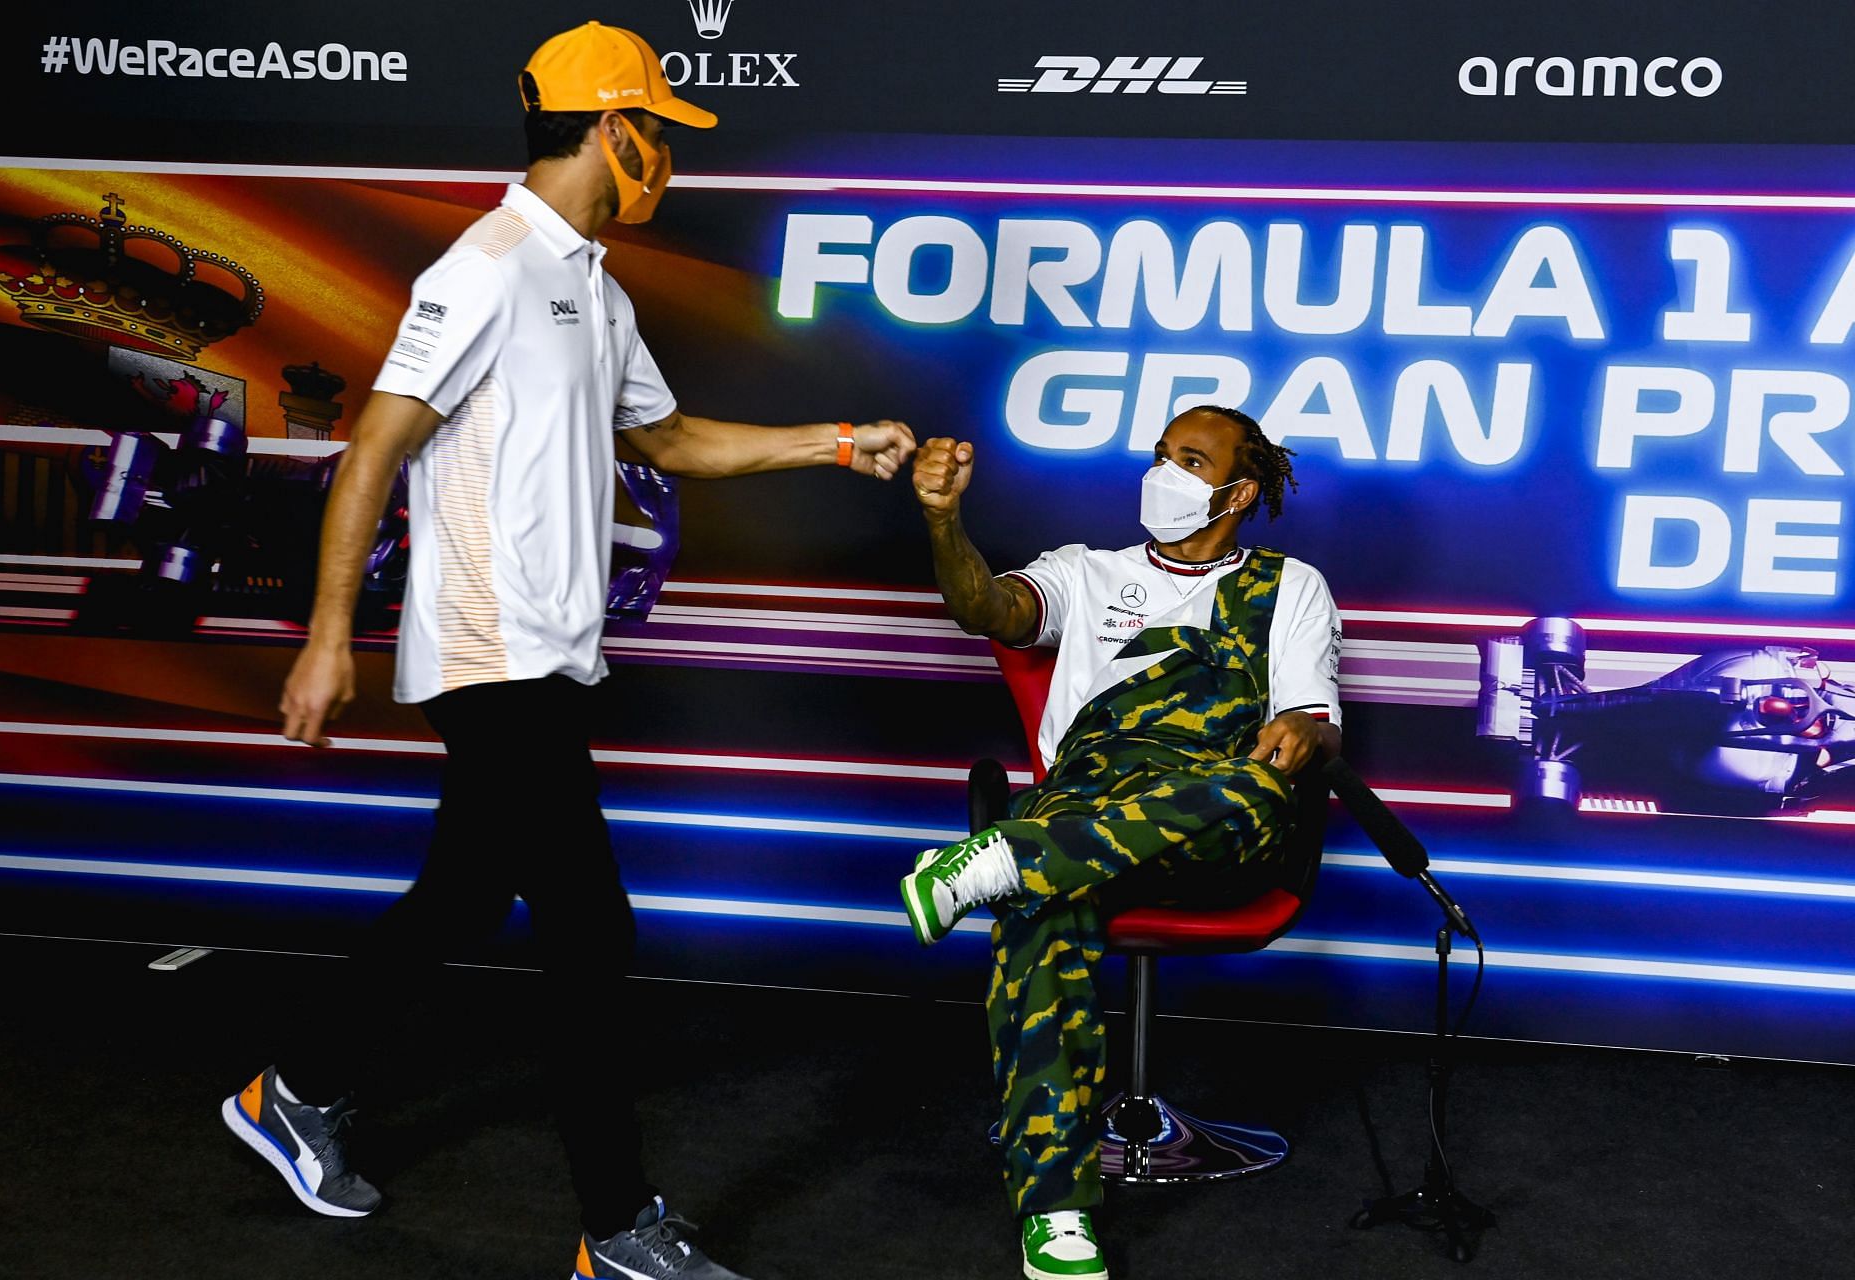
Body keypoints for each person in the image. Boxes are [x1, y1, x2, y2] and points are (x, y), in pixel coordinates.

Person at [218, 21, 915, 1280]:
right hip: (487, 646)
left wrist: (832, 440)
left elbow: (672, 437)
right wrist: (330, 639)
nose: (668, 161)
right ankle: (617, 1227)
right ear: (613, 130)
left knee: (467, 893)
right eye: (660, 133)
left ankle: (295, 1091)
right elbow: (374, 445)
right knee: (591, 928)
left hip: (547, 646)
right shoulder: (482, 269)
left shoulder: (598, 286)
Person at [900, 405, 1341, 1280]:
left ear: (1238, 489)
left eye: (1189, 458)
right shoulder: (1084, 572)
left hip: (1211, 809)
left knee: (1254, 784)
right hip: (1087, 795)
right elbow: (984, 606)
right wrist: (943, 522)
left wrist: (1298, 729)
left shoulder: (1291, 587)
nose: (1163, 471)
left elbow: (1312, 723)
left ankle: (1007, 861)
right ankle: (1056, 1216)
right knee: (1038, 919)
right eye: (1159, 454)